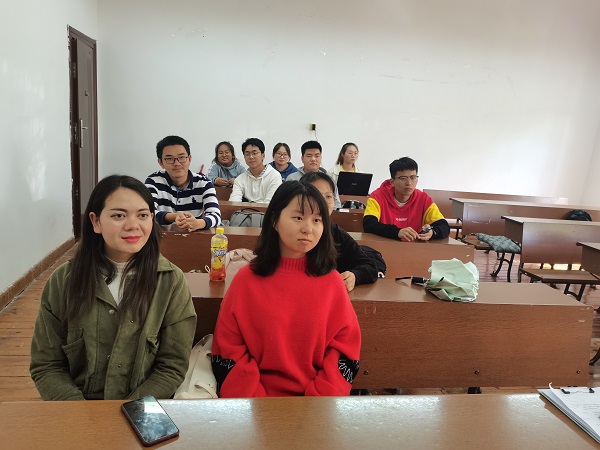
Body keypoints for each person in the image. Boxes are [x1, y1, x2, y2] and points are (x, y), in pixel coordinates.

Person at [30, 175, 197, 400]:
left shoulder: (170, 281)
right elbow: (47, 365)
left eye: (143, 215)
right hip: (77, 410)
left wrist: (130, 411)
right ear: (96, 221)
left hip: (142, 408)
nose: (133, 225)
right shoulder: (63, 280)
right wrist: (80, 413)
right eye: (119, 215)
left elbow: (172, 366)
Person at [212, 181, 361, 397]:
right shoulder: (246, 280)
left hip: (317, 404)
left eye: (317, 220)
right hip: (253, 405)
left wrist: (317, 402)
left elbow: (345, 347)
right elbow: (229, 347)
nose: (308, 228)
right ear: (274, 220)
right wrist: (257, 405)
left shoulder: (332, 282)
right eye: (298, 217)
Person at [301, 171, 378, 292]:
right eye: (317, 195)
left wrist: (354, 276)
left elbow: (370, 266)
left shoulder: (336, 233)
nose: (324, 202)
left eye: (328, 196)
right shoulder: (293, 231)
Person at [145, 135, 221, 232]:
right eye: (169, 158)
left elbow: (216, 215)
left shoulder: (204, 183)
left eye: (181, 157)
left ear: (189, 159)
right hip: (160, 237)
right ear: (161, 162)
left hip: (193, 235)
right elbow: (147, 213)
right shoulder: (153, 181)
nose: (177, 163)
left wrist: (198, 223)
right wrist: (173, 217)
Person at [363, 157, 450, 241]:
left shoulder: (423, 199)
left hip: (414, 247)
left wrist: (433, 232)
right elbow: (369, 224)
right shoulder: (378, 196)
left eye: (413, 177)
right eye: (403, 178)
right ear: (392, 182)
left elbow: (444, 226)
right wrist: (397, 232)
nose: (409, 183)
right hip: (383, 246)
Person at [286, 140, 342, 209]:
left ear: (321, 158)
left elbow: (336, 205)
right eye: (309, 156)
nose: (313, 159)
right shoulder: (292, 179)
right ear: (302, 159)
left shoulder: (328, 180)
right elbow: (286, 202)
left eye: (317, 156)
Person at [229, 137, 282, 203]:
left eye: (254, 153)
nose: (251, 157)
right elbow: (234, 203)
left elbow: (271, 204)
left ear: (263, 156)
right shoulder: (240, 179)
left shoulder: (274, 176)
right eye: (247, 154)